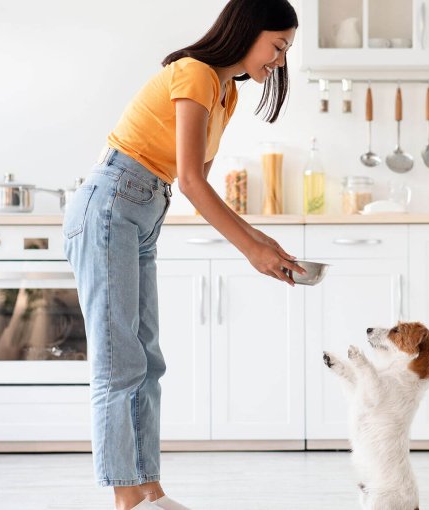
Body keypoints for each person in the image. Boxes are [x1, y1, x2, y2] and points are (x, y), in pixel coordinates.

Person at [62, 1, 301, 509]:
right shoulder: (193, 73)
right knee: (119, 362)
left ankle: (151, 491)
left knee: (148, 361)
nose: (279, 61)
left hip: (144, 209)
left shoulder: (225, 93)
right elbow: (191, 182)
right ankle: (128, 500)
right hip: (111, 204)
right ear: (248, 32)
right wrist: (252, 248)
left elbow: (198, 186)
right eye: (277, 47)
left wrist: (263, 243)